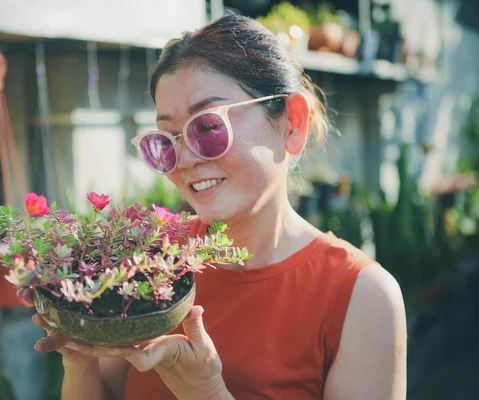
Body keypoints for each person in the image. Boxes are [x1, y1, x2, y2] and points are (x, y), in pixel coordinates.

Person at [26, 14, 407, 400]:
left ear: (293, 122)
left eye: (207, 127)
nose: (186, 159)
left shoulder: (362, 296)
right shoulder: (152, 259)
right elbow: (107, 389)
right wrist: (79, 354)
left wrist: (204, 392)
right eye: (167, 140)